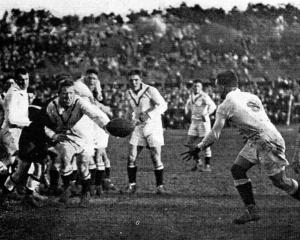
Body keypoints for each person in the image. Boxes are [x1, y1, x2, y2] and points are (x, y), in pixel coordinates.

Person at [181, 70, 300, 224]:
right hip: (266, 137)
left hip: (265, 142)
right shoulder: (252, 96)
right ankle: (252, 211)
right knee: (237, 169)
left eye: (217, 87)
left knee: (280, 181)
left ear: (224, 87)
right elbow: (258, 119)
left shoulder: (225, 105)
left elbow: (215, 134)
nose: (216, 91)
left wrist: (198, 147)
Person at [45, 79, 110, 206]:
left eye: (70, 93)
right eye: (64, 93)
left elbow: (95, 115)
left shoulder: (80, 103)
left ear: (75, 93)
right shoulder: (52, 106)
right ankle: (67, 187)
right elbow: (45, 124)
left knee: (83, 165)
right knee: (65, 157)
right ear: (58, 94)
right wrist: (53, 135)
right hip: (67, 137)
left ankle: (85, 192)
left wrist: (106, 126)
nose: (68, 96)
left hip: (84, 136)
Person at [125, 69, 167, 194]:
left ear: (141, 80)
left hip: (153, 126)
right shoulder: (128, 92)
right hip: (138, 127)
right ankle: (132, 185)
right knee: (131, 157)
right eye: (131, 80)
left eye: (136, 80)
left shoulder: (150, 90)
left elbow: (163, 105)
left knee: (155, 157)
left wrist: (148, 114)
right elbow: (133, 110)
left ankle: (160, 186)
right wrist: (130, 121)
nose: (134, 82)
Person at [185, 79, 216, 172]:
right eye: (194, 86)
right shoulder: (191, 95)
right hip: (194, 122)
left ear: (201, 87)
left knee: (205, 144)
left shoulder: (204, 96)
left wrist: (206, 114)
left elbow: (213, 106)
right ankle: (198, 161)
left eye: (198, 86)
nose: (196, 87)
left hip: (203, 122)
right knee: (189, 143)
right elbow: (188, 104)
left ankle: (207, 165)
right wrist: (186, 110)